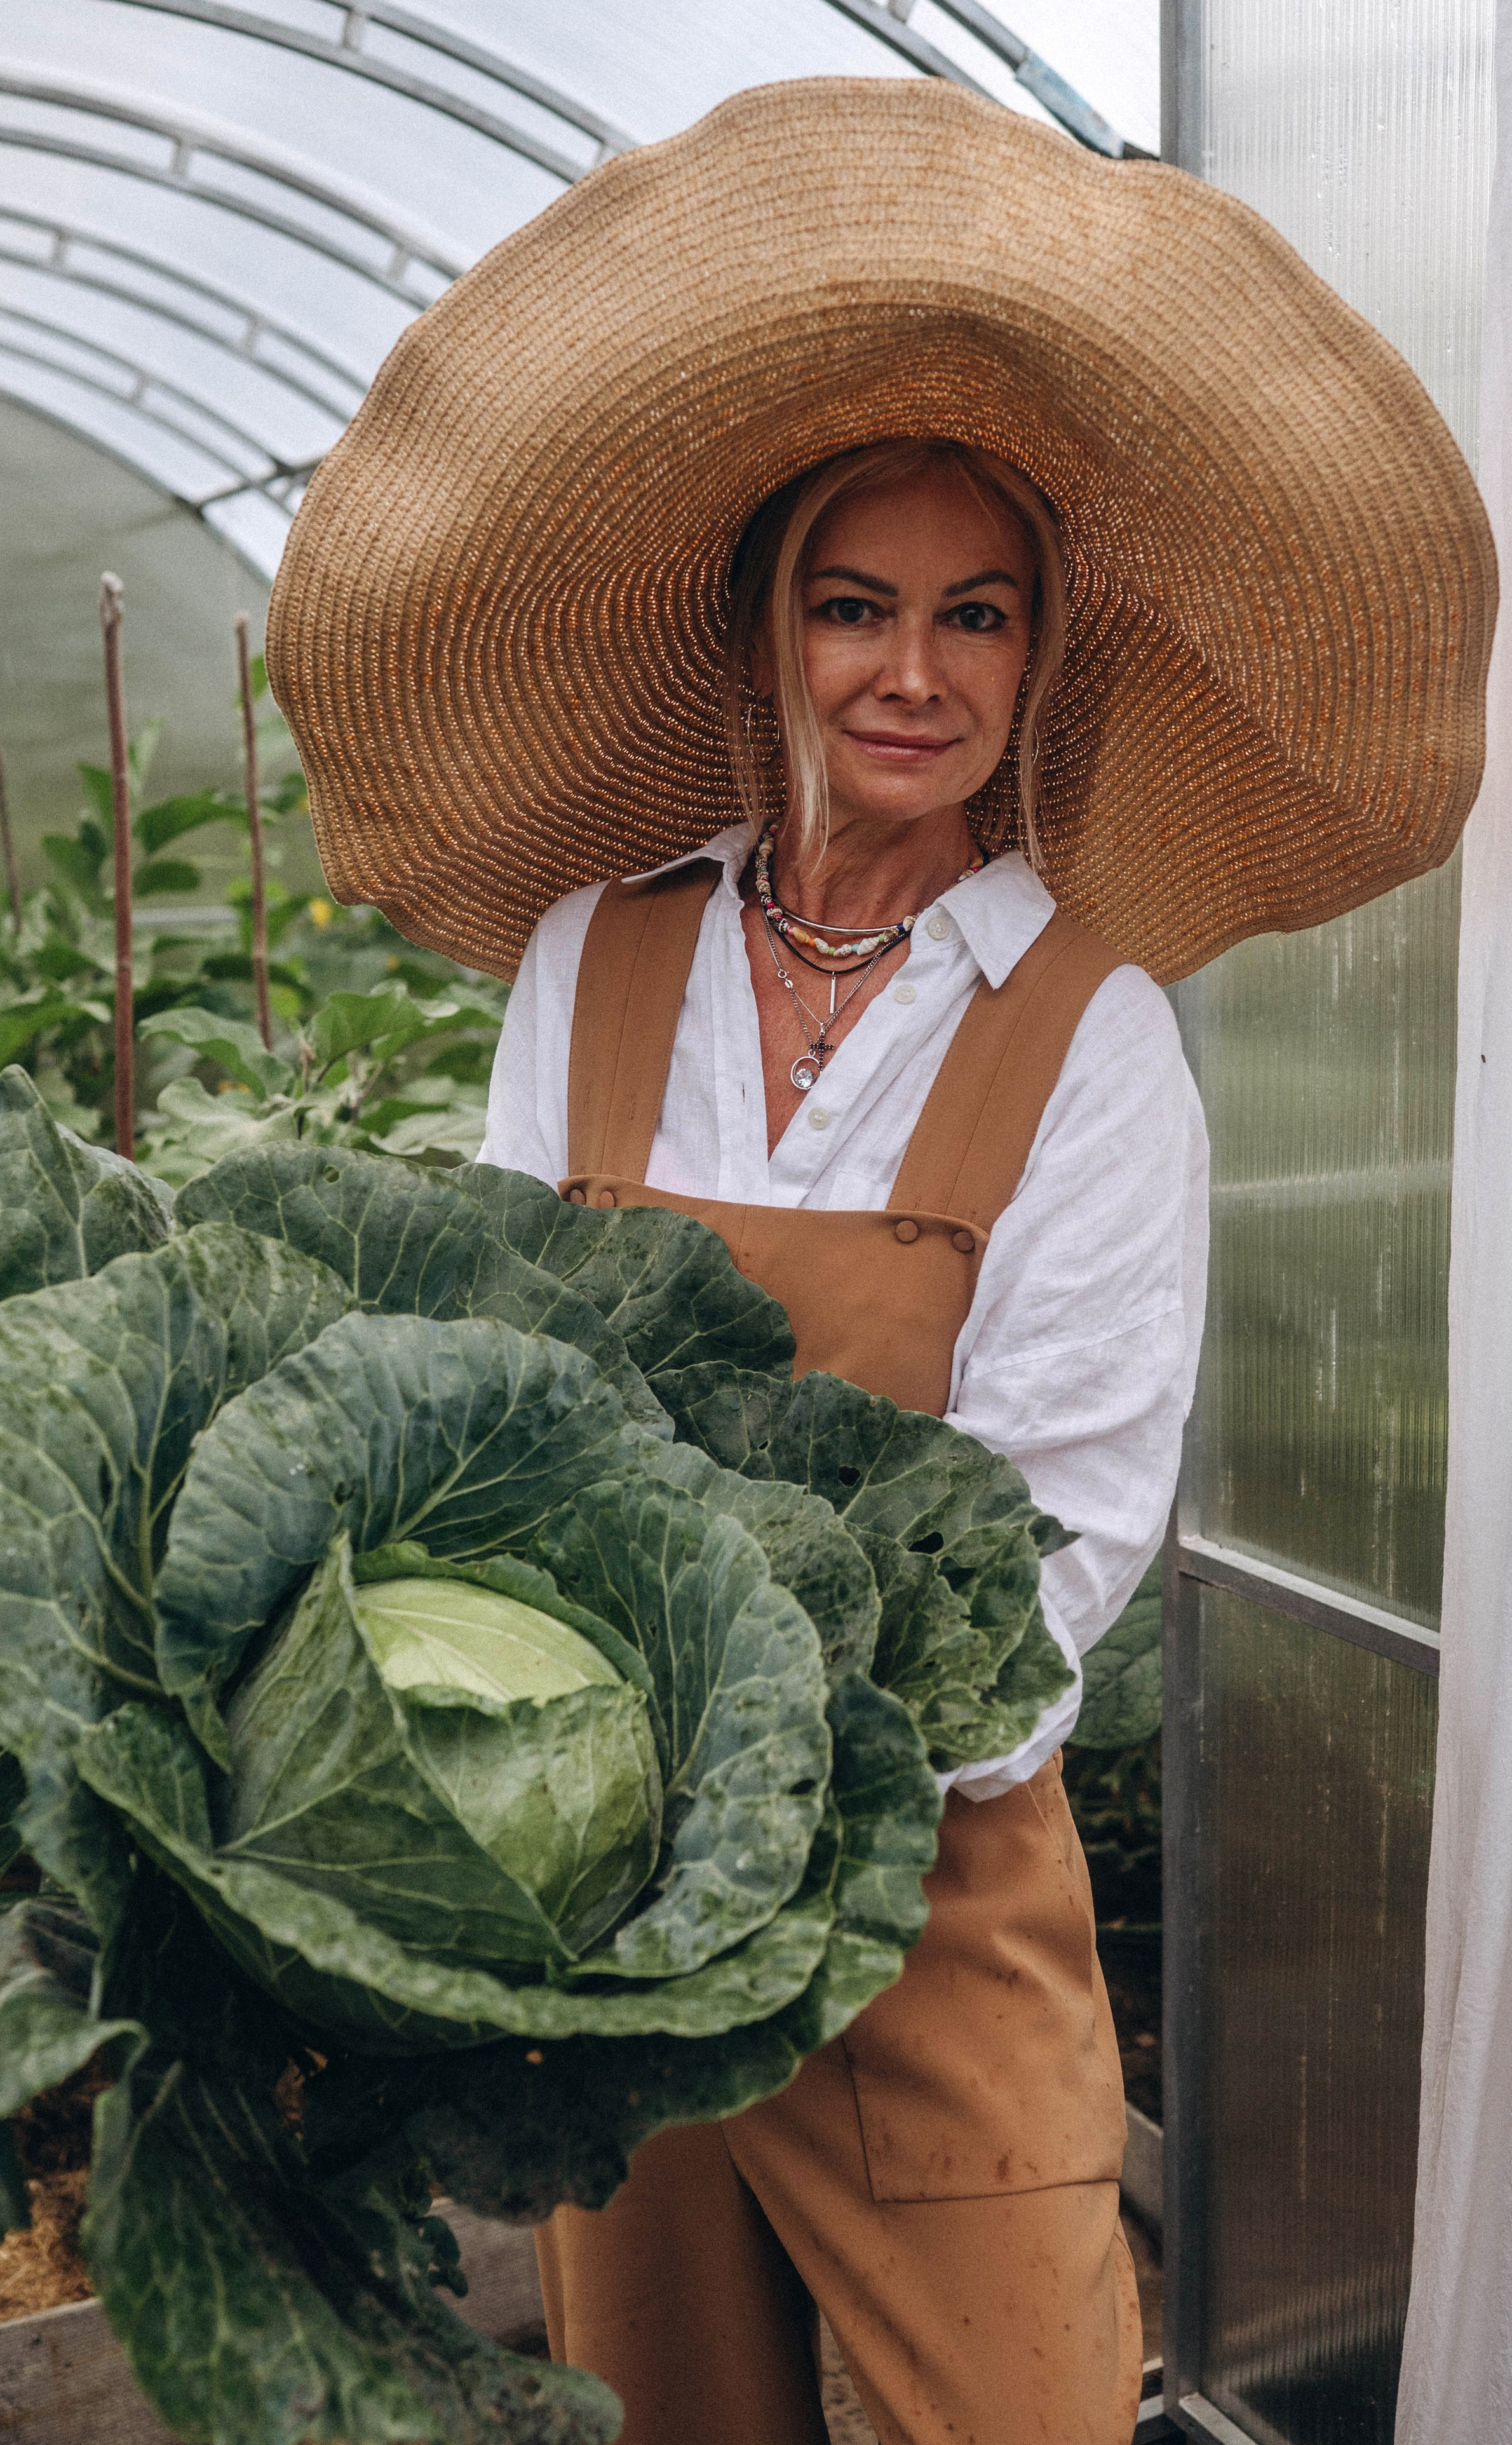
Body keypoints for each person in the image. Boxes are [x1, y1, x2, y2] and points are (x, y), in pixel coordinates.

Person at [267, 76, 1493, 2445]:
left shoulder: (1087, 1031)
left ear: (1038, 663)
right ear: (770, 633)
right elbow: (483, 1397)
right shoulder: (592, 959)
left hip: (926, 1907)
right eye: (855, 606)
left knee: (1028, 2403)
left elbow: (1065, 1536)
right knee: (665, 2403)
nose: (910, 671)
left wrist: (775, 1767)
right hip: (612, 1899)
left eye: (974, 616)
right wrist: (594, 1792)